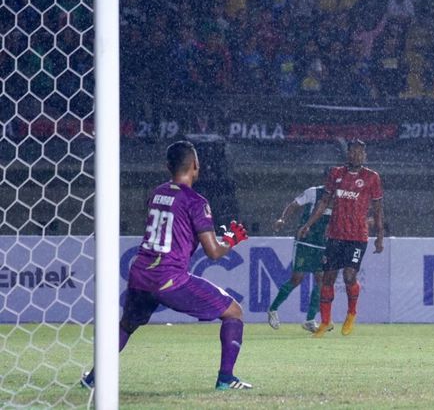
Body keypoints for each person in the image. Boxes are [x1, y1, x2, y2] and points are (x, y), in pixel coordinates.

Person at [81, 141, 252, 390]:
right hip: (169, 277)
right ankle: (226, 379)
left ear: (168, 166)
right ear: (195, 165)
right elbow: (213, 252)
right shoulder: (196, 201)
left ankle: (93, 379)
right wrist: (231, 241)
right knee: (234, 312)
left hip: (140, 274)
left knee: (127, 325)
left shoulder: (156, 193)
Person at [298, 140, 384, 338]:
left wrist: (380, 236)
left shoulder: (372, 178)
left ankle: (351, 313)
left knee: (349, 277)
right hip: (335, 235)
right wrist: (308, 225)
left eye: (360, 152)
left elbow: (378, 211)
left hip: (357, 237)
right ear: (348, 154)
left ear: (365, 155)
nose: (356, 155)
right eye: (353, 152)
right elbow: (323, 203)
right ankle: (325, 322)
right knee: (327, 278)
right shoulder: (336, 174)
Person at [268, 177, 332, 333]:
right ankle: (273, 309)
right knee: (297, 279)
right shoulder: (313, 192)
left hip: (322, 244)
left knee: (321, 280)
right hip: (305, 241)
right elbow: (294, 205)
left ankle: (310, 320)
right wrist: (283, 219)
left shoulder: (339, 198)